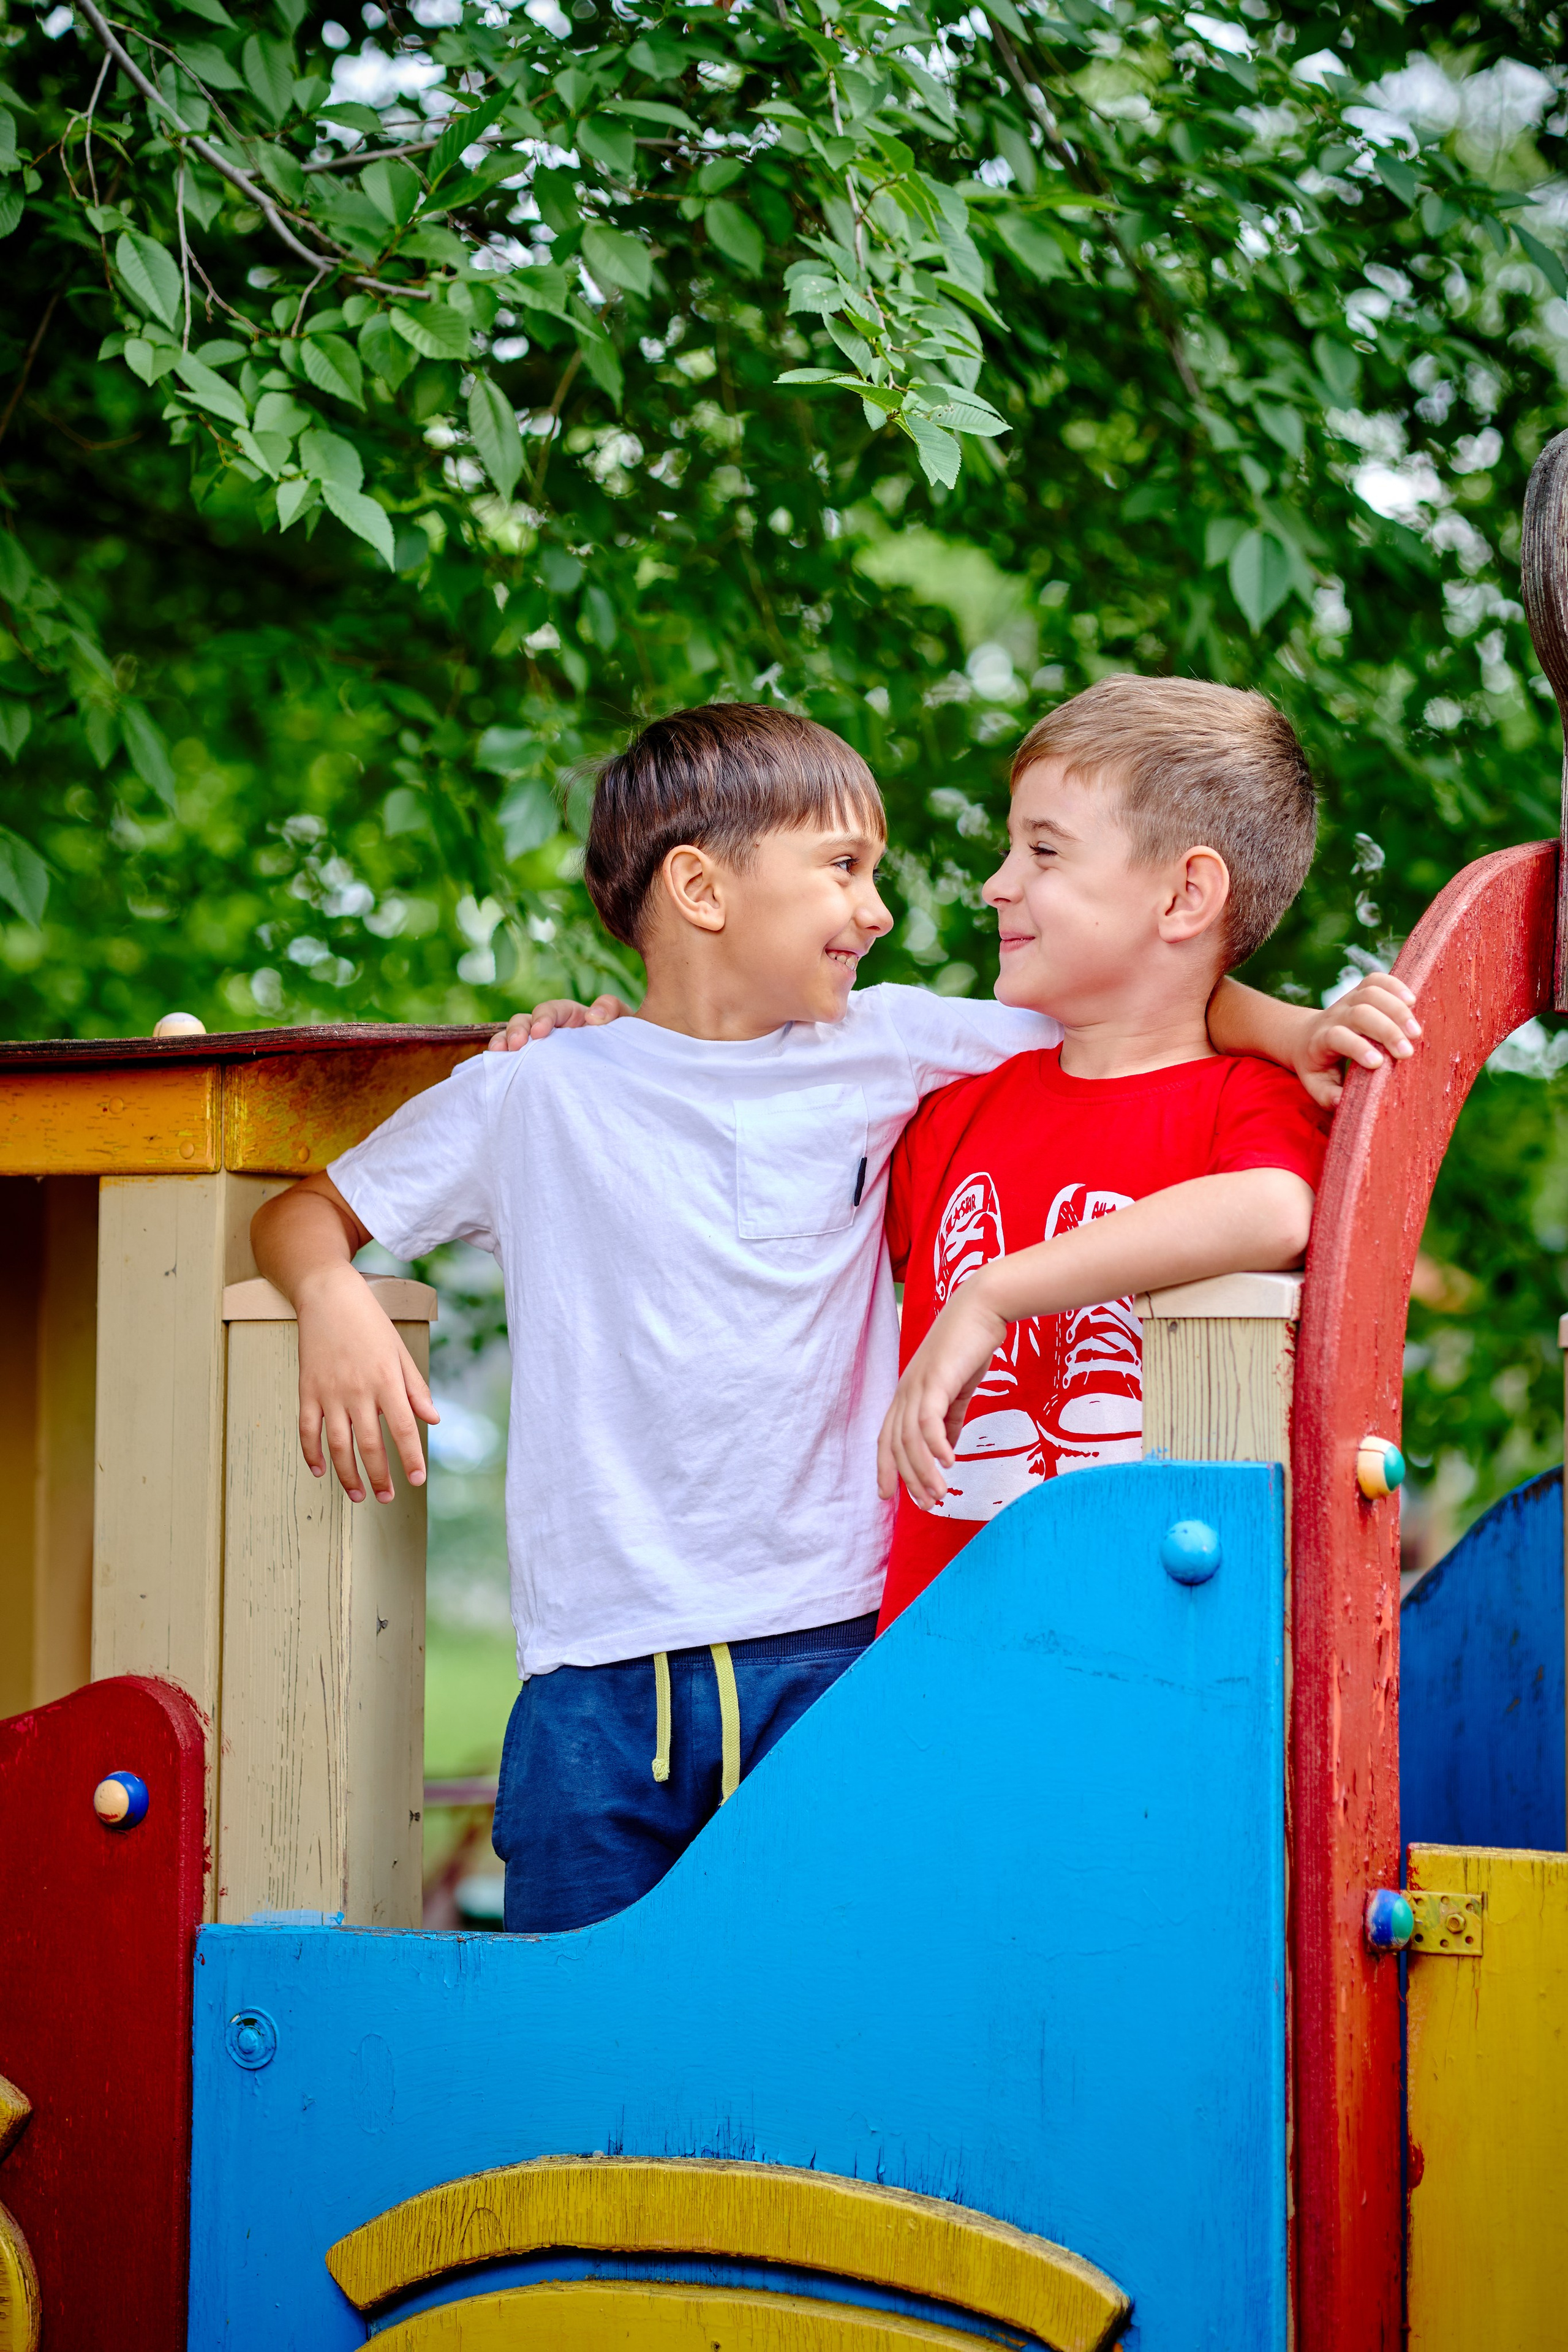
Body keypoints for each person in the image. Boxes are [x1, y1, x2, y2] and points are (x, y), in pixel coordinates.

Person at [252, 700, 1414, 1935]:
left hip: (837, 1644)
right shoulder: (535, 1092)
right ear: (700, 890)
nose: (883, 910)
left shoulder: (888, 1043)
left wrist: (1298, 1030)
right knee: (575, 2011)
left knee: (830, 1994)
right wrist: (330, 1292)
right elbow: (302, 1216)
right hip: (596, 1670)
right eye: (844, 868)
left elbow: (1153, 998)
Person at [873, 673, 1370, 1627]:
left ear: (1184, 895)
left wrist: (994, 1292)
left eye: (1044, 850)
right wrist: (613, 1046)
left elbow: (1277, 1207)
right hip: (932, 1660)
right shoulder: (952, 1113)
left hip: (1145, 1654)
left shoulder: (1249, 1102)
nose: (997, 884)